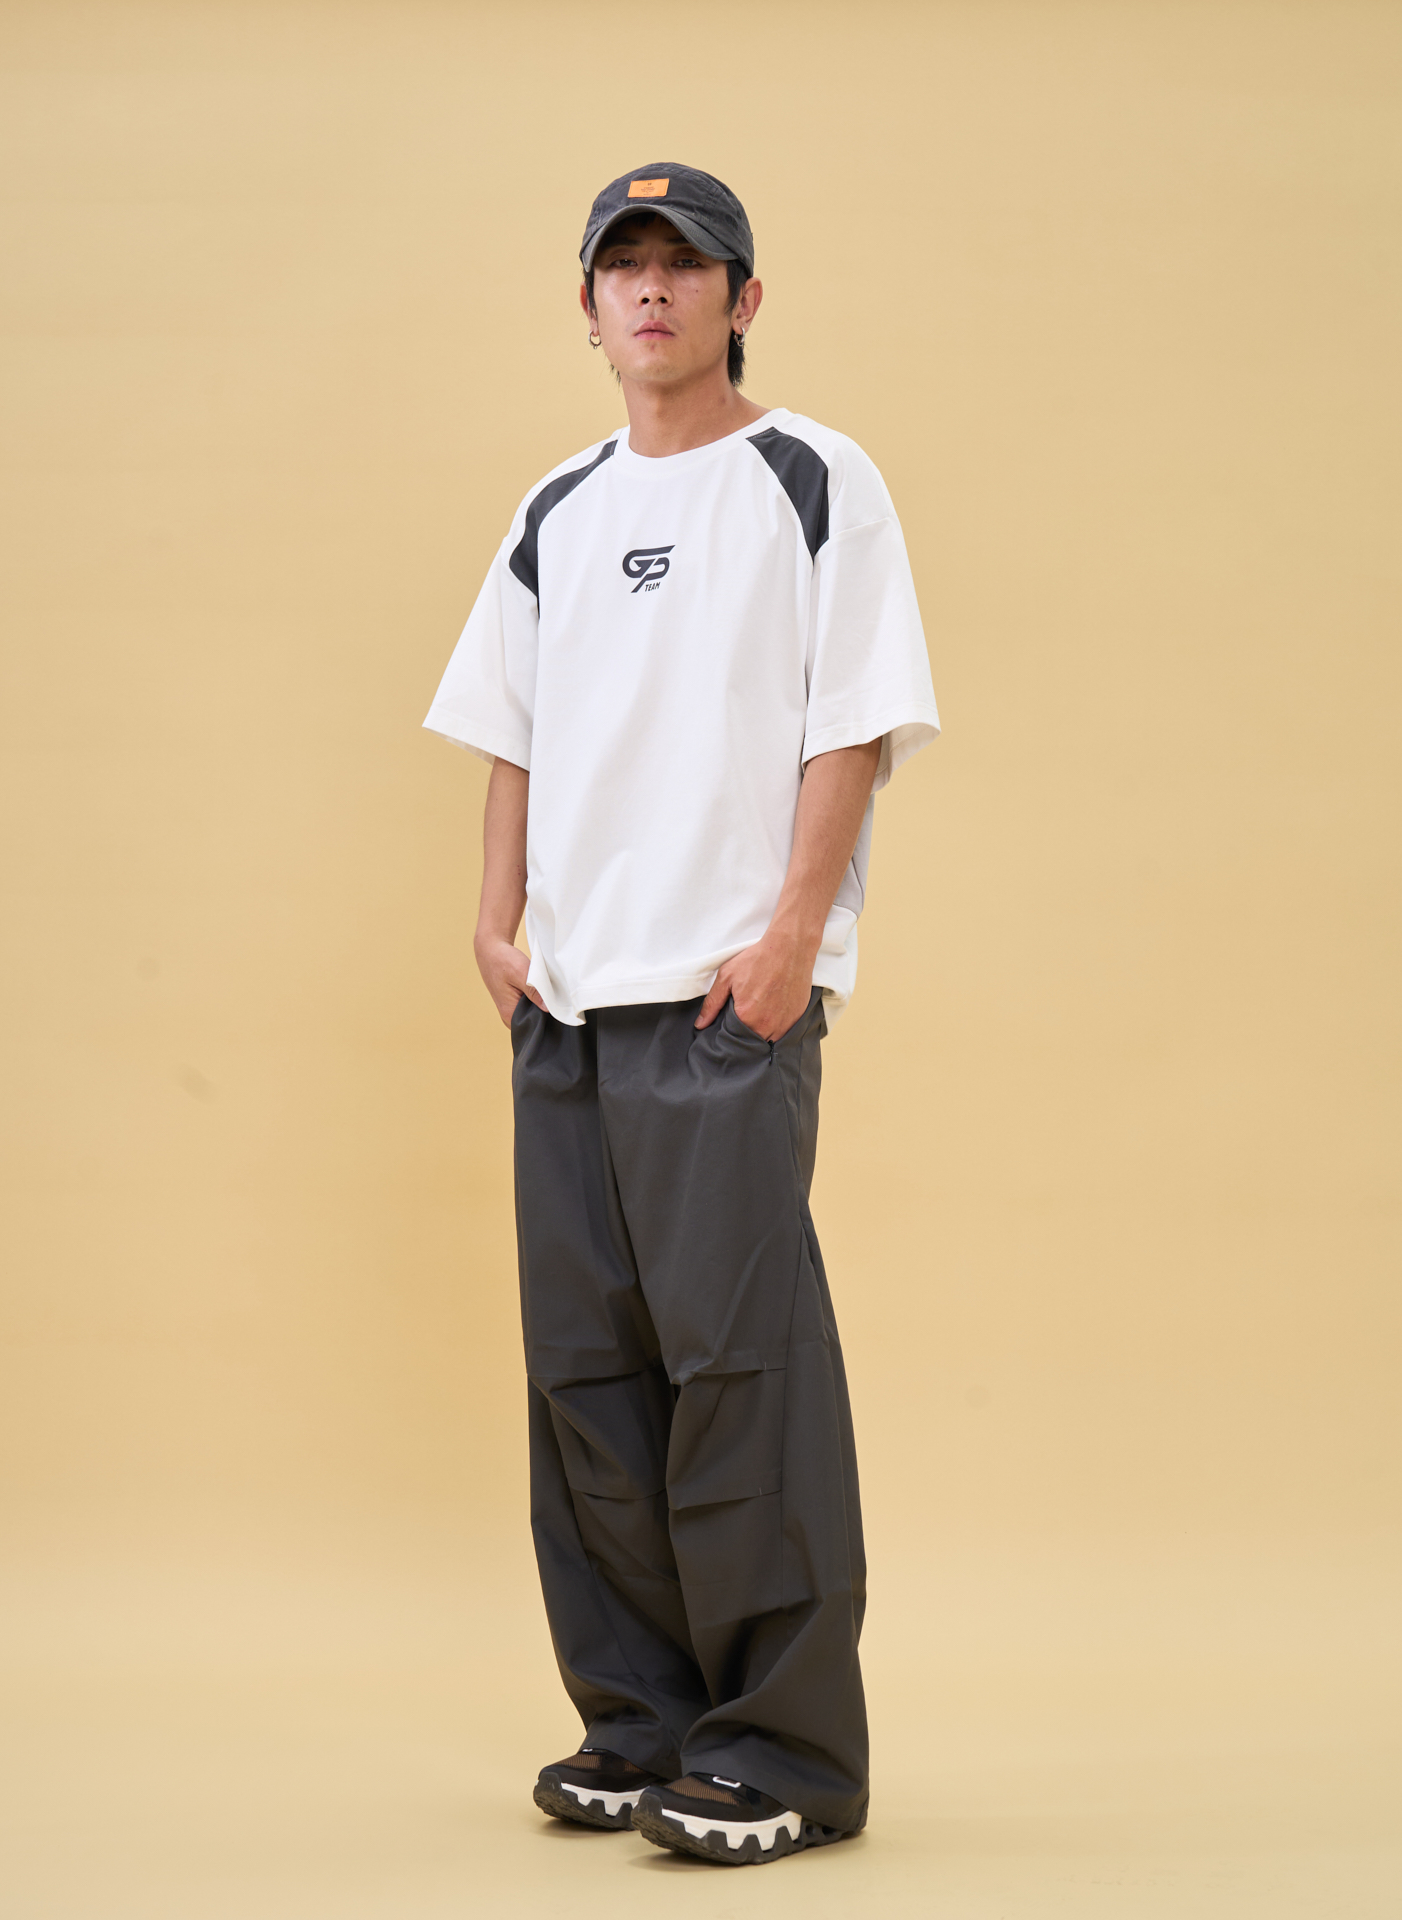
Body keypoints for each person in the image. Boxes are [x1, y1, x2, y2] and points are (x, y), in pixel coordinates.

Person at [424, 162, 938, 1867]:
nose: (651, 290)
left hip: (726, 999)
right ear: (587, 307)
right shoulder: (556, 507)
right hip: (569, 1008)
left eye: (684, 265)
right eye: (622, 267)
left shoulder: (814, 478)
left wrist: (794, 940)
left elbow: (853, 723)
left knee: (742, 1368)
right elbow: (512, 729)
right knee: (588, 1373)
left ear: (743, 298)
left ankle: (786, 1751)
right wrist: (494, 920)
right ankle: (640, 1721)